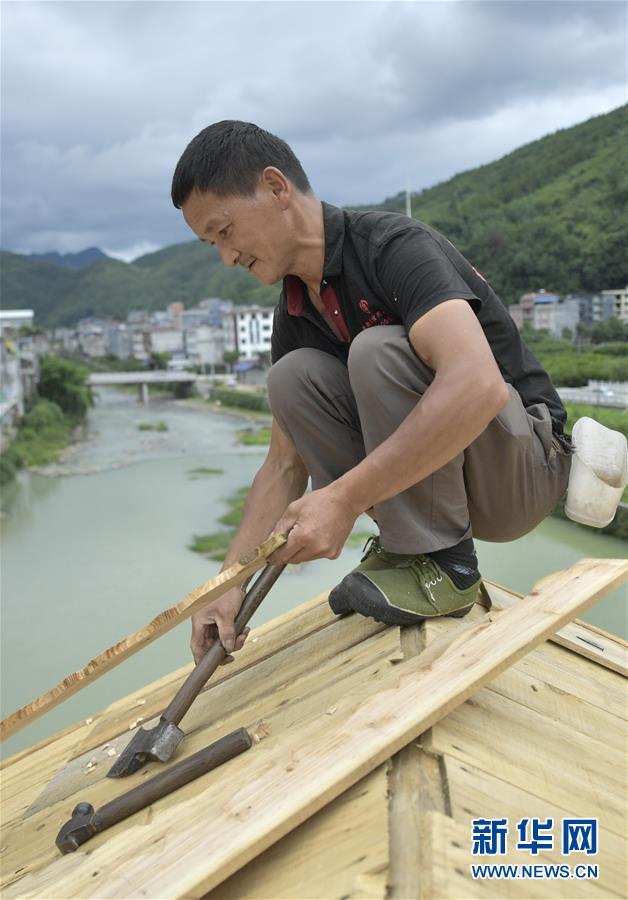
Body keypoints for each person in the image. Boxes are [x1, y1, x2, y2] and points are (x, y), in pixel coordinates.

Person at [171, 120, 573, 664]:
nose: (225, 256)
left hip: (522, 471)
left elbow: (477, 385)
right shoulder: (294, 311)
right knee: (292, 378)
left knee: (376, 349)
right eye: (210, 243)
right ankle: (410, 551)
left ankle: (448, 566)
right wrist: (228, 582)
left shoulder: (392, 246)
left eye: (224, 231)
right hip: (446, 484)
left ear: (274, 187)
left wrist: (342, 499)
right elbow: (284, 465)